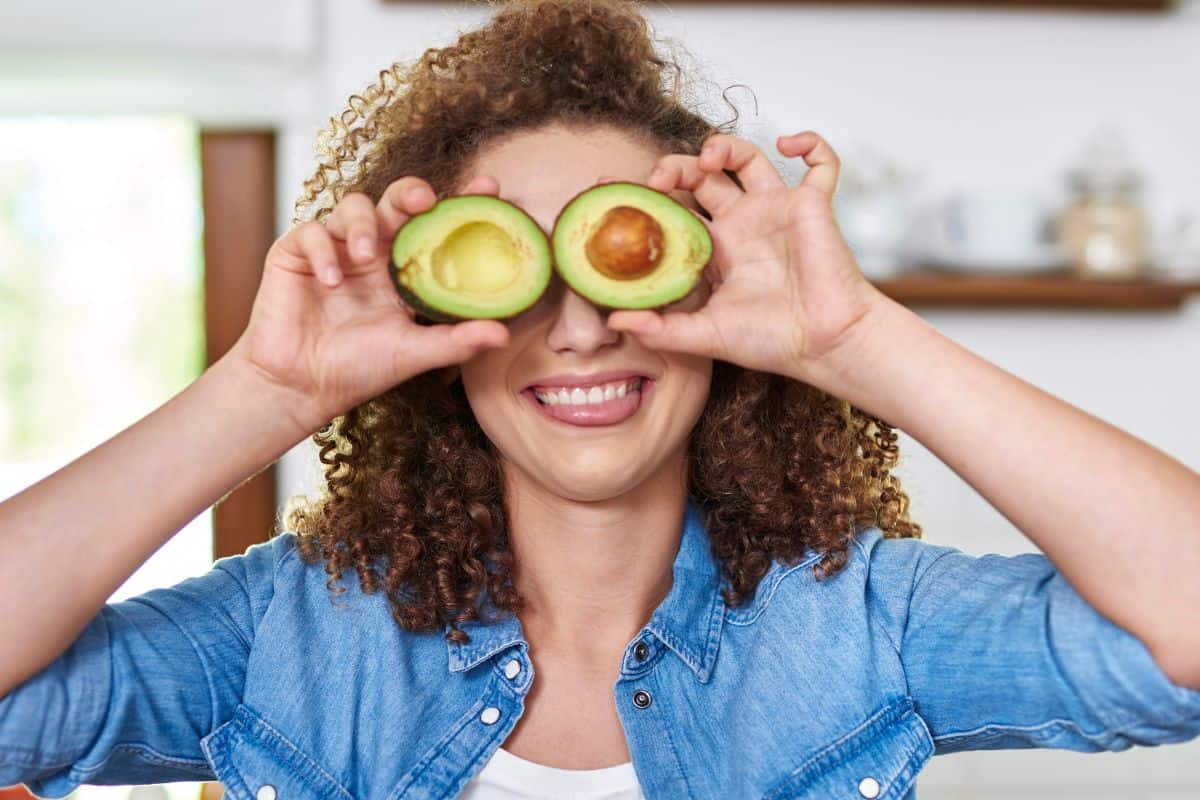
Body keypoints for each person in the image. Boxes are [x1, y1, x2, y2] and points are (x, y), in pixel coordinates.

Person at [3, 1, 1199, 798]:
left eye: (622, 262)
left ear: (712, 292)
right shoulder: (286, 633)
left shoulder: (859, 620)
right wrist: (265, 393)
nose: (574, 325)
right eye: (516, 271)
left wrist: (851, 339)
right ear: (434, 329)